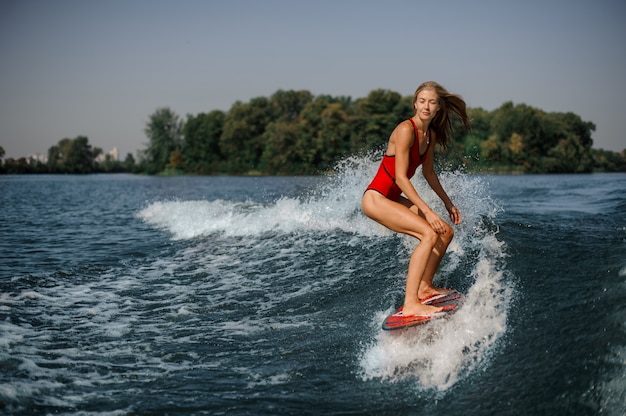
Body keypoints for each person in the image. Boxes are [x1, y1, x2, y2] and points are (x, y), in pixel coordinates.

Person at [361, 81, 471, 318]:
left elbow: (429, 173)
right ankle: (411, 302)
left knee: (445, 232)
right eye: (422, 101)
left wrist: (447, 202)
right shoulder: (405, 130)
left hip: (390, 198)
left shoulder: (429, 135)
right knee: (429, 233)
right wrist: (428, 212)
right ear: (415, 103)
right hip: (376, 198)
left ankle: (423, 287)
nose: (426, 106)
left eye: (432, 102)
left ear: (439, 107)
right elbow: (401, 178)